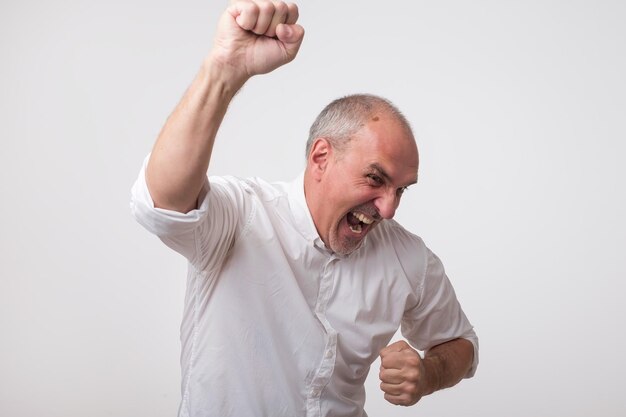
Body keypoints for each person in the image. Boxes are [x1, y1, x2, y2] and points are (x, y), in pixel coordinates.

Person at [130, 1, 478, 416]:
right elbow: (163, 201)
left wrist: (429, 373)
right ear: (320, 157)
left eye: (401, 190)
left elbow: (462, 345)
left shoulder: (408, 259)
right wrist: (223, 70)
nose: (388, 209)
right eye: (375, 179)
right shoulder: (242, 215)